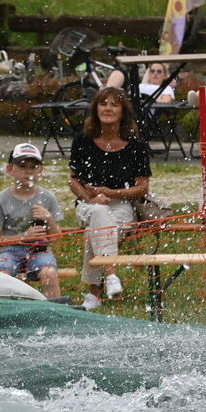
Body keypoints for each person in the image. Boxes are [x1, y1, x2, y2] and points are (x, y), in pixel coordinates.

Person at [69, 87, 152, 311]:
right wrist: (90, 197)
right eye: (103, 103)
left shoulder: (136, 145)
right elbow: (73, 180)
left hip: (122, 204)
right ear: (96, 109)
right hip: (88, 203)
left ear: (123, 112)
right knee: (97, 213)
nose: (108, 108)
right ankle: (111, 274)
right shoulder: (83, 140)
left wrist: (111, 193)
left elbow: (143, 187)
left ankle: (93, 293)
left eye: (114, 104)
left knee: (94, 231)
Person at [0, 143, 65, 299]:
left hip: (40, 251)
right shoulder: (0, 200)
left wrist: (48, 218)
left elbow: (57, 238)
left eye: (33, 167)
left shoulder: (48, 198)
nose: (28, 171)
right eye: (22, 166)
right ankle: (2, 312)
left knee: (49, 273)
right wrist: (23, 237)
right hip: (8, 251)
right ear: (10, 169)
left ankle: (55, 311)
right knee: (2, 274)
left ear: (40, 171)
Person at [105, 62, 176, 102]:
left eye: (159, 71)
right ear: (149, 73)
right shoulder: (142, 85)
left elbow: (165, 102)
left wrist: (146, 100)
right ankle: (104, 97)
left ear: (164, 76)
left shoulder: (166, 89)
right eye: (152, 71)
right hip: (127, 97)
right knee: (119, 72)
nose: (155, 73)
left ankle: (105, 100)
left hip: (140, 108)